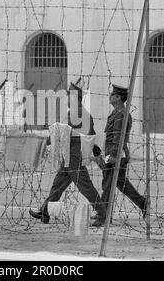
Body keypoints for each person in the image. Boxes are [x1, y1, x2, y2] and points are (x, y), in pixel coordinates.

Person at [29, 83, 107, 227]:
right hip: (70, 155)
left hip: (73, 156)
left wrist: (45, 140)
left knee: (85, 187)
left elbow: (62, 133)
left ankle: (103, 215)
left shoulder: (77, 114)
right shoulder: (82, 114)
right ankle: (44, 212)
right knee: (58, 185)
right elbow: (91, 135)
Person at [99, 84, 147, 222]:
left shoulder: (120, 114)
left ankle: (104, 216)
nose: (110, 96)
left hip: (115, 153)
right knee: (119, 182)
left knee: (108, 184)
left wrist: (113, 155)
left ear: (119, 97)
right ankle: (142, 203)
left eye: (113, 95)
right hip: (117, 152)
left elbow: (118, 136)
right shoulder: (119, 112)